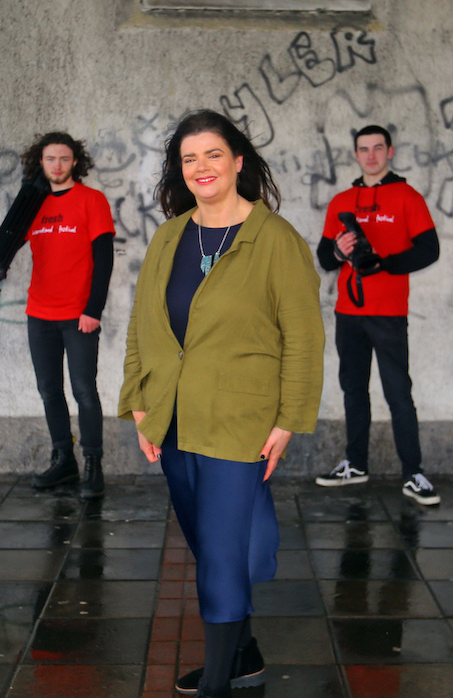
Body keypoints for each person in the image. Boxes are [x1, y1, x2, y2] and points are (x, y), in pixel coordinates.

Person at [120, 109, 324, 698]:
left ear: (238, 161)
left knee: (224, 553)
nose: (201, 167)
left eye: (213, 154)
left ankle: (216, 680)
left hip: (242, 421)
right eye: (189, 158)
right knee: (212, 542)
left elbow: (304, 339)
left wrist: (289, 420)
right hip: (174, 419)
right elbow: (143, 326)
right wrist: (139, 401)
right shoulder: (170, 235)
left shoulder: (276, 240)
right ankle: (245, 656)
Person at [0, 132, 115, 499]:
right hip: (40, 312)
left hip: (78, 315)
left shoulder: (92, 201)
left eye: (64, 159)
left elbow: (104, 260)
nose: (57, 166)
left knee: (84, 391)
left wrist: (94, 310)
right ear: (40, 163)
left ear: (75, 162)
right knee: (49, 391)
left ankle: (93, 464)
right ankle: (64, 460)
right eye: (50, 159)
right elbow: (7, 239)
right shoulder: (35, 203)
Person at [314, 124, 442, 506]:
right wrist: (339, 250)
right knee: (353, 390)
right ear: (355, 155)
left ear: (390, 152)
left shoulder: (407, 197)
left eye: (377, 148)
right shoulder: (341, 201)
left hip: (387, 313)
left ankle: (413, 473)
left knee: (398, 393)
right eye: (363, 149)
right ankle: (356, 464)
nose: (370, 155)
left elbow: (429, 250)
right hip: (348, 312)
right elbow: (323, 259)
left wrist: (384, 263)